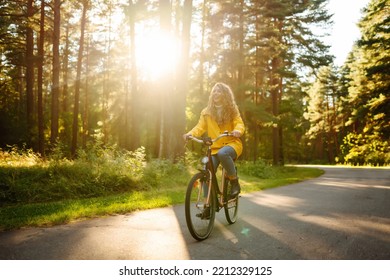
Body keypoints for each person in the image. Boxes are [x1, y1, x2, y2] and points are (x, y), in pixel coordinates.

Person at [183, 82, 245, 198]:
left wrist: (237, 131)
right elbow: (200, 127)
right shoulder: (206, 112)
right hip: (215, 147)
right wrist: (190, 134)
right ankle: (208, 204)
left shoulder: (232, 110)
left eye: (219, 91)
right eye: (214, 91)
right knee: (207, 170)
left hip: (232, 144)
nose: (216, 93)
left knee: (223, 153)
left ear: (225, 95)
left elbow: (239, 123)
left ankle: (234, 182)